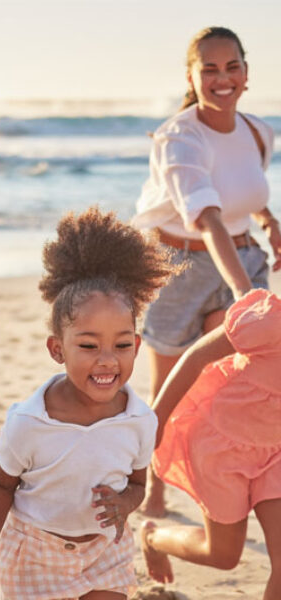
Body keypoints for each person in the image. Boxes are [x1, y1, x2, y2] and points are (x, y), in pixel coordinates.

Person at [0, 208, 180, 600]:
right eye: (89, 346)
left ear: (137, 346)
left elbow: (139, 483)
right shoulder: (30, 421)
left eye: (122, 345)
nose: (108, 359)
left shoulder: (140, 419)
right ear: (57, 349)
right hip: (35, 555)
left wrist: (124, 503)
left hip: (106, 551)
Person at [132, 26, 280, 517]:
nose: (223, 78)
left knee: (230, 388)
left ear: (246, 73)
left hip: (244, 256)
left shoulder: (259, 131)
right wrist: (243, 293)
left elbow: (247, 193)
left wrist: (270, 223)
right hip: (181, 266)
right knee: (172, 384)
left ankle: (224, 491)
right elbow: (208, 216)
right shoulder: (179, 137)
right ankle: (152, 489)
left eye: (231, 67)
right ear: (192, 77)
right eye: (210, 69)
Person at [140, 288, 281, 600]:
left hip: (275, 454)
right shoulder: (269, 320)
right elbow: (197, 356)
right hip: (220, 449)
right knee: (223, 555)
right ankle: (153, 538)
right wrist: (156, 422)